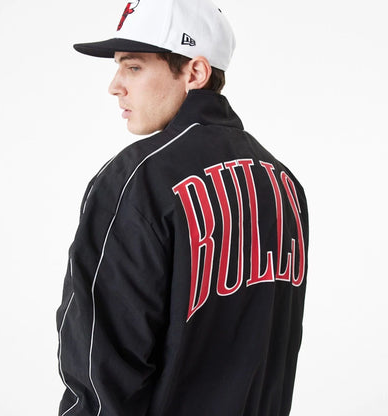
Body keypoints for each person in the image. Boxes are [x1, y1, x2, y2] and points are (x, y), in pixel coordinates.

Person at [56, 0, 309, 415]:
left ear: (195, 72)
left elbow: (102, 369)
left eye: (133, 67)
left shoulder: (137, 180)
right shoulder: (282, 182)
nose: (115, 86)